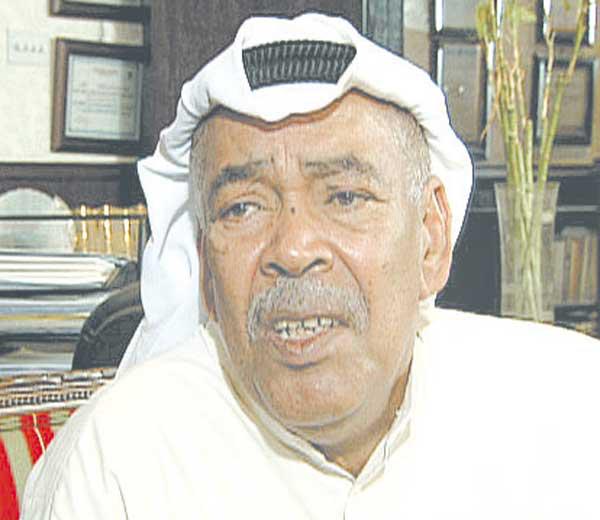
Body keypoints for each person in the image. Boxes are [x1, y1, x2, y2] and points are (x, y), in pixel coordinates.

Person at [22, 13, 600, 519]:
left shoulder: (573, 409)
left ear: (429, 239)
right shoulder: (113, 466)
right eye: (243, 208)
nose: (294, 248)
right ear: (205, 271)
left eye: (345, 197)